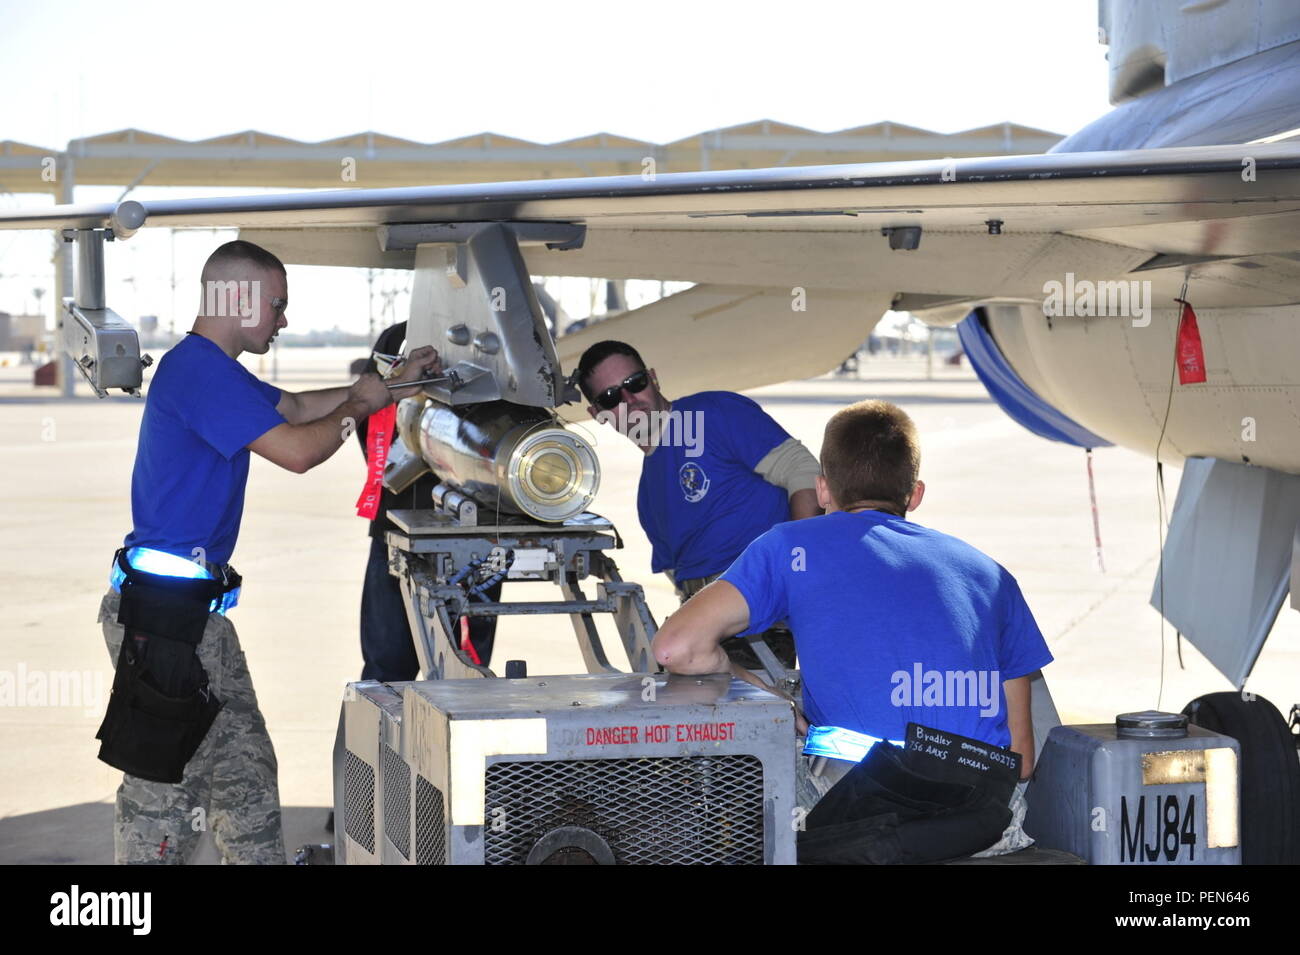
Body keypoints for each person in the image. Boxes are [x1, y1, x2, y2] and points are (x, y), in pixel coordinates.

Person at [97, 240, 438, 864]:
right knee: (164, 797)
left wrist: (390, 387)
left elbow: (303, 407)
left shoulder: (218, 372)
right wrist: (360, 407)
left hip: (193, 618)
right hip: (163, 622)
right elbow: (299, 449)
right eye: (277, 304)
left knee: (245, 780)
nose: (284, 319)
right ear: (240, 298)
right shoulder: (198, 371)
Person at [650, 400, 1053, 857]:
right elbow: (1020, 760)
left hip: (855, 816)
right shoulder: (992, 575)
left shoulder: (789, 545)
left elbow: (676, 649)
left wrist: (763, 692)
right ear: (915, 494)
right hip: (979, 824)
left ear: (823, 491)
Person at [575, 340, 821, 669]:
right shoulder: (647, 497)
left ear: (653, 378)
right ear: (598, 415)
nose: (631, 400)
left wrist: (798, 569)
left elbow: (803, 472)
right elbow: (680, 577)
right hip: (716, 629)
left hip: (762, 617)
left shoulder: (710, 414)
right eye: (611, 397)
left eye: (635, 383)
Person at [354, 320, 500, 681]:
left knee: (465, 668)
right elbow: (368, 420)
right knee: (387, 668)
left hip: (473, 540)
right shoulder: (397, 338)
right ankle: (384, 738)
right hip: (397, 535)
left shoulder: (482, 350)